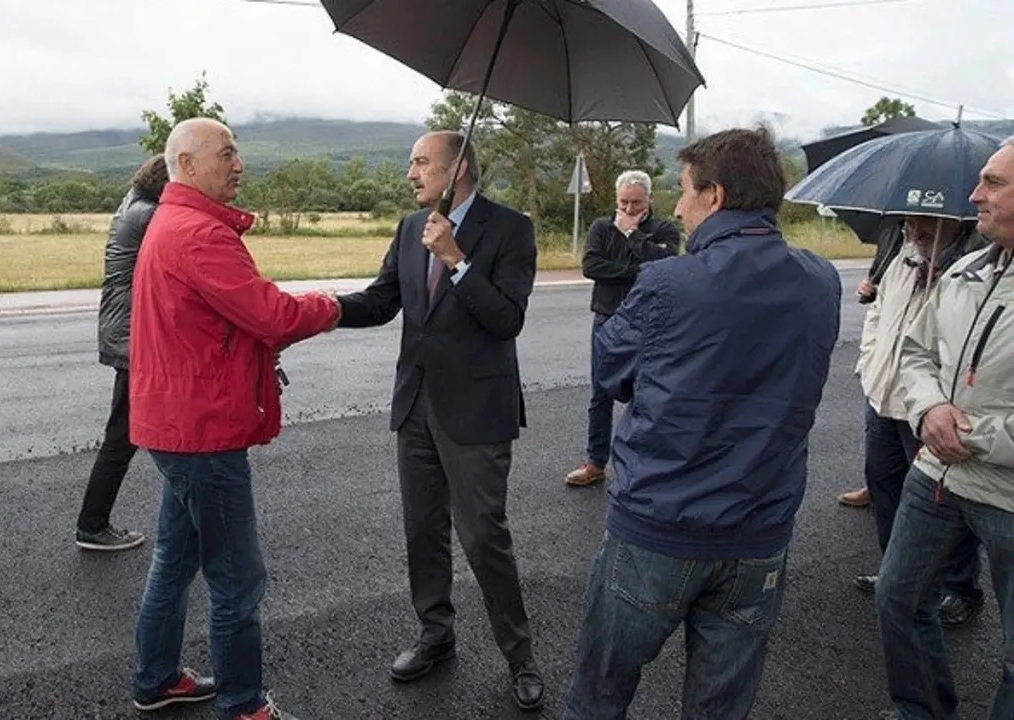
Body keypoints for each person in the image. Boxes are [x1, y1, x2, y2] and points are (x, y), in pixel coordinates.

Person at [561, 127, 841, 719]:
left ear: (714, 196)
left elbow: (610, 372)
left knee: (599, 693)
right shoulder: (820, 280)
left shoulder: (668, 282)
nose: (679, 208)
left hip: (659, 524)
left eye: (685, 191)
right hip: (760, 532)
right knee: (721, 707)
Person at [129, 118, 339, 720]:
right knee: (237, 580)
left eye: (237, 151)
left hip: (176, 421)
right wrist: (331, 307)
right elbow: (269, 315)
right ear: (187, 165)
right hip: (201, 430)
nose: (239, 163)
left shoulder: (172, 222)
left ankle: (156, 678)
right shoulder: (198, 233)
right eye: (227, 153)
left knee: (175, 559)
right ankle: (244, 705)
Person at [332, 130, 545, 711]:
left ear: (460, 169)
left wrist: (456, 260)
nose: (411, 173)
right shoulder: (409, 228)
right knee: (422, 531)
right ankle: (435, 634)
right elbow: (382, 301)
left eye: (422, 162)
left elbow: (507, 320)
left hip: (477, 411)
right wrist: (321, 311)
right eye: (411, 163)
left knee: (484, 538)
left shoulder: (510, 229)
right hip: (416, 405)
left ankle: (520, 655)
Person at [877, 138, 1014, 720]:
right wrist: (930, 409)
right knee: (899, 601)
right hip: (935, 475)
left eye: (993, 183)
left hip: (1005, 494)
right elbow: (915, 352)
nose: (974, 195)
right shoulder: (966, 269)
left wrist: (972, 436)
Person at [849, 214, 986, 631]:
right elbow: (877, 319)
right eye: (909, 224)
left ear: (948, 219)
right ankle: (898, 572)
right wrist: (868, 365)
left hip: (929, 407)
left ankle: (960, 589)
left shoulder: (972, 269)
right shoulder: (900, 256)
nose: (914, 232)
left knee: (943, 499)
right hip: (883, 396)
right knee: (884, 483)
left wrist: (941, 283)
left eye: (924, 225)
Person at [74, 154, 168, 552]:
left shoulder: (134, 205)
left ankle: (94, 523)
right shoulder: (148, 216)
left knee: (135, 432)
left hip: (125, 330)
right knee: (125, 436)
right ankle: (92, 525)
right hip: (133, 335)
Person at [564, 170, 680, 487]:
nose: (628, 209)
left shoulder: (665, 229)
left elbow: (663, 267)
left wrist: (633, 236)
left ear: (650, 200)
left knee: (647, 394)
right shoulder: (601, 227)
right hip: (607, 318)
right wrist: (635, 269)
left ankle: (642, 466)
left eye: (636, 203)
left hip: (648, 323)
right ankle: (595, 462)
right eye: (623, 202)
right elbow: (592, 266)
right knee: (600, 393)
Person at [839, 217, 906, 508]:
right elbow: (881, 274)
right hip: (882, 362)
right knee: (880, 450)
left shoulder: (962, 245)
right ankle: (877, 487)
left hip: (917, 375)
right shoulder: (892, 228)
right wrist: (872, 288)